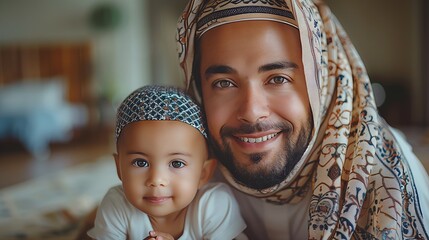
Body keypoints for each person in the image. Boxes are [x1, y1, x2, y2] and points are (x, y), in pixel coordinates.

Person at [176, 0, 429, 239]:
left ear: (324, 84)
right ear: (198, 91)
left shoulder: (388, 183)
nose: (252, 112)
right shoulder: (178, 176)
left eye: (278, 79)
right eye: (223, 83)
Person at [87, 85, 247, 240]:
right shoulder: (117, 204)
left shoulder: (213, 205)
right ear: (119, 168)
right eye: (140, 163)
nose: (156, 180)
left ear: (203, 174)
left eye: (176, 163)